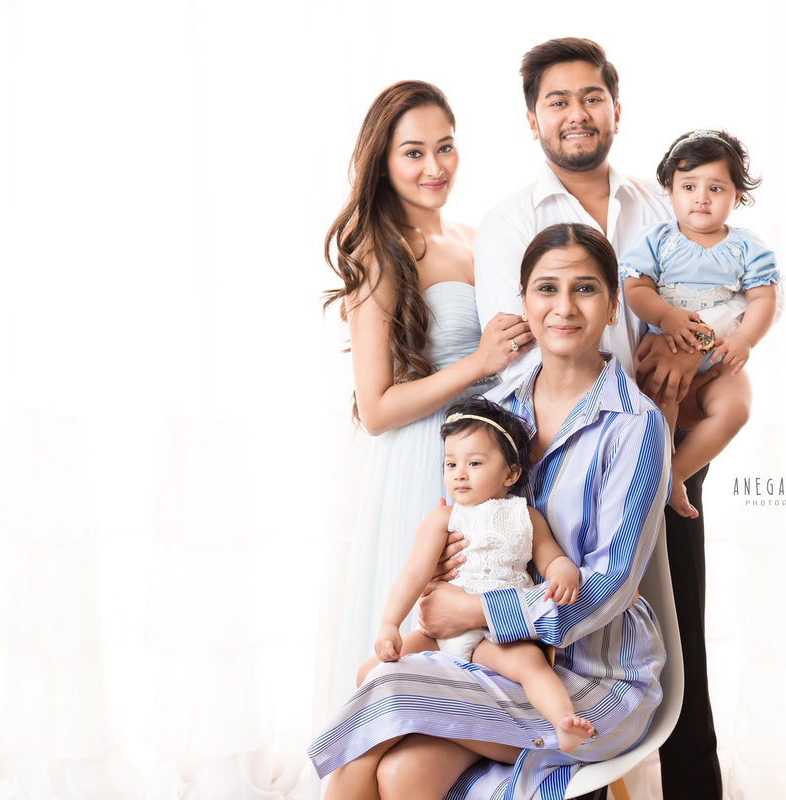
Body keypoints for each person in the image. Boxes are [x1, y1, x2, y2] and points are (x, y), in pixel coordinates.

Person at [473, 37, 771, 798]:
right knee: (579, 626)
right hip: (564, 456)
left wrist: (684, 353)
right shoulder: (510, 221)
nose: (577, 115)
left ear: (615, 108)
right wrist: (646, 362)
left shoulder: (659, 201)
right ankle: (584, 776)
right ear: (533, 120)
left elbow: (715, 304)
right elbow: (517, 354)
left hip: (663, 444)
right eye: (558, 102)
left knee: (680, 636)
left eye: (591, 98)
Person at [308, 223, 670, 800]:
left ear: (611, 305)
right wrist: (442, 593)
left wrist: (476, 608)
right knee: (399, 766)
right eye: (546, 289)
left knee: (381, 697)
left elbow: (611, 583)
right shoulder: (494, 410)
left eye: (585, 289)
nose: (564, 307)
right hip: (482, 657)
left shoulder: (635, 424)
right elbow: (454, 535)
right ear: (524, 301)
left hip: (591, 675)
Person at [313, 80, 533, 724]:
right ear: (383, 161)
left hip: (486, 452)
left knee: (484, 636)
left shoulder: (473, 237)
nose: (434, 167)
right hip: (422, 458)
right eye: (413, 152)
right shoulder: (380, 254)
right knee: (422, 632)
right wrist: (479, 363)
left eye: (445, 147)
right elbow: (377, 408)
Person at [356, 396, 597, 754]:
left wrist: (564, 571)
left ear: (510, 474)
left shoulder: (526, 517)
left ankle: (564, 722)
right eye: (450, 463)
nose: (459, 473)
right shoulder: (442, 519)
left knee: (531, 664)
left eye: (474, 463)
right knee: (373, 669)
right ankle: (392, 729)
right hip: (439, 632)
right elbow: (414, 574)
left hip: (495, 633)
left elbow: (551, 559)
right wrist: (390, 624)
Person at [620, 129, 781, 518]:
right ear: (670, 191)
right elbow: (635, 286)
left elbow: (764, 298)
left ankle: (676, 473)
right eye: (689, 186)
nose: (701, 197)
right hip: (669, 350)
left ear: (738, 196)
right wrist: (665, 316)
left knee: (736, 408)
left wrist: (744, 339)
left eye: (716, 188)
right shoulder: (658, 239)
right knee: (662, 407)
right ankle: (662, 467)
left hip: (720, 356)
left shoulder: (746, 246)